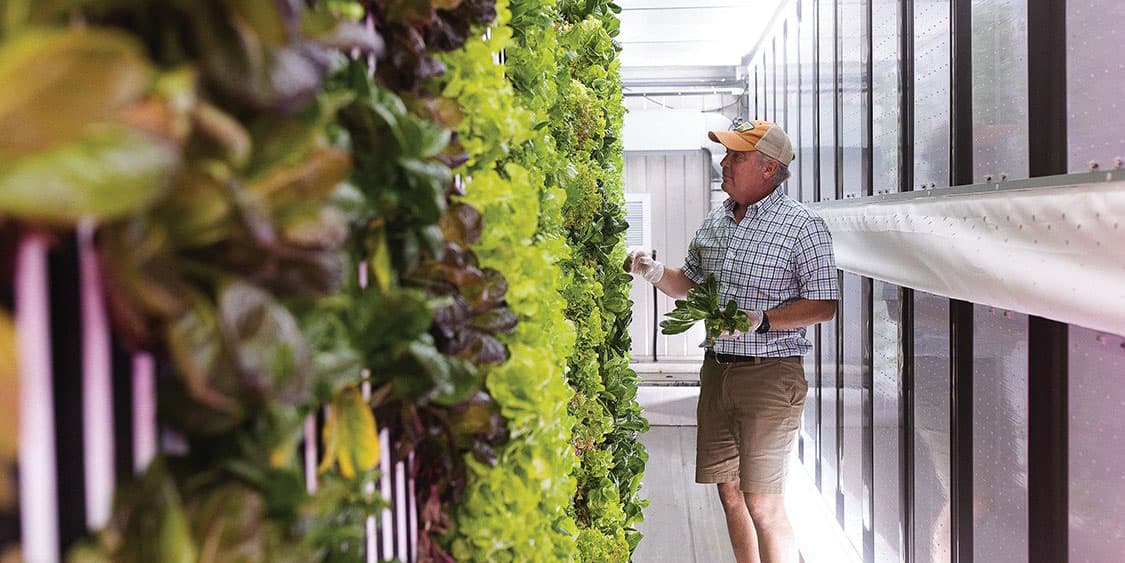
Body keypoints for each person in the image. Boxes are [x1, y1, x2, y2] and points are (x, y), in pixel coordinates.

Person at [625, 119, 839, 563]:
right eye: (726, 154)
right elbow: (689, 283)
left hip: (770, 378)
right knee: (730, 491)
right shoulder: (717, 221)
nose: (724, 163)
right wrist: (652, 271)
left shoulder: (802, 226)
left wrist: (762, 320)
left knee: (762, 502)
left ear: (768, 168)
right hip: (718, 370)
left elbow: (824, 305)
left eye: (736, 156)